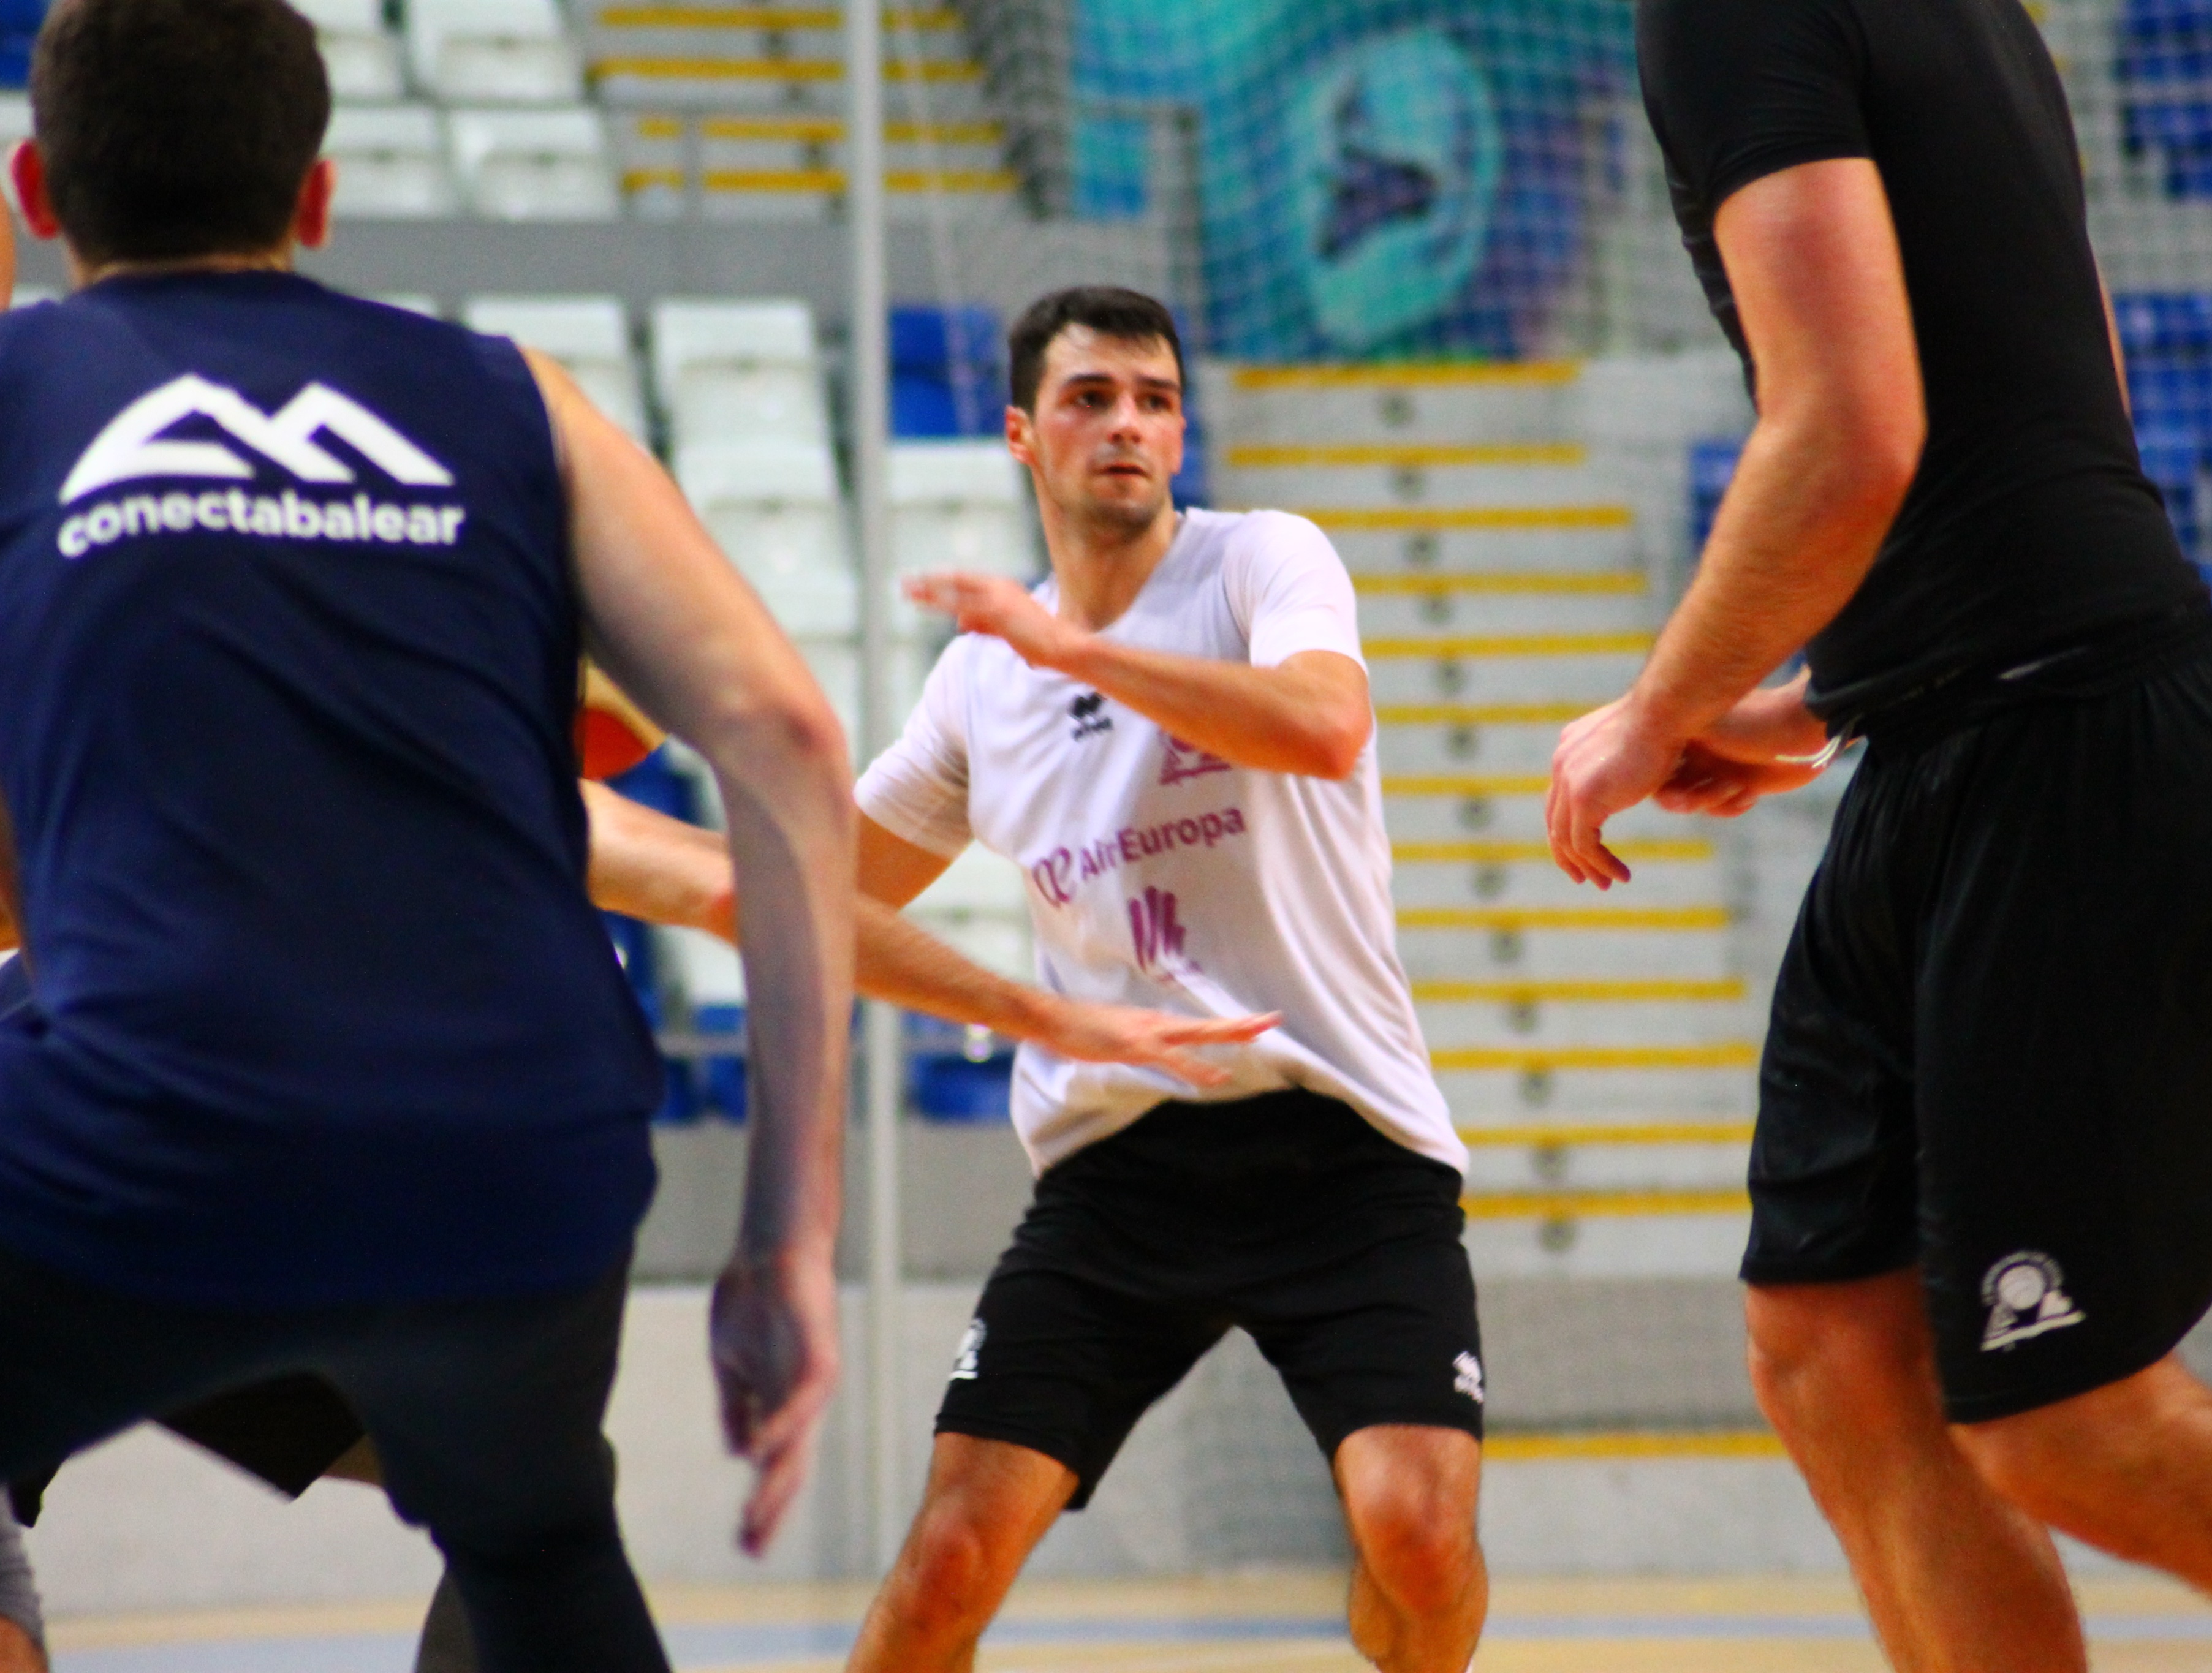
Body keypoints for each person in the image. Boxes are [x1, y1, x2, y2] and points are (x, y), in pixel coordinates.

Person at [1547, 2, 2212, 1669]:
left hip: (2069, 746)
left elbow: (1850, 427)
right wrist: (1837, 689)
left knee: (2068, 1417)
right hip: (1960, 724)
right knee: (1831, 1342)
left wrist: (1657, 705)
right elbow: (2065, 379)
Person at [0, 2, 856, 1667]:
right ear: (319, 203)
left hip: (157, 1137)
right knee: (536, 1535)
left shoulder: (20, 380)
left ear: (36, 190)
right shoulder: (509, 396)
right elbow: (793, 739)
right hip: (530, 1167)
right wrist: (784, 1242)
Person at [0, 747, 1266, 1673]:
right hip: (67, 1195)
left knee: (530, 1498)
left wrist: (1042, 1013)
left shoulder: (510, 806)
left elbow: (776, 906)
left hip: (238, 1240)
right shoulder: (267, 746)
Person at [841, 285, 1487, 1673]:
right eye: (1090, 398)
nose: (1127, 424)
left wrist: (1080, 650)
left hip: (1341, 1140)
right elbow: (814, 900)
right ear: (1023, 434)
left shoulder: (1263, 562)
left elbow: (1323, 726)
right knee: (949, 1554)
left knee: (1418, 1535)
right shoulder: (975, 684)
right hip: (1117, 1168)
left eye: (1153, 399)